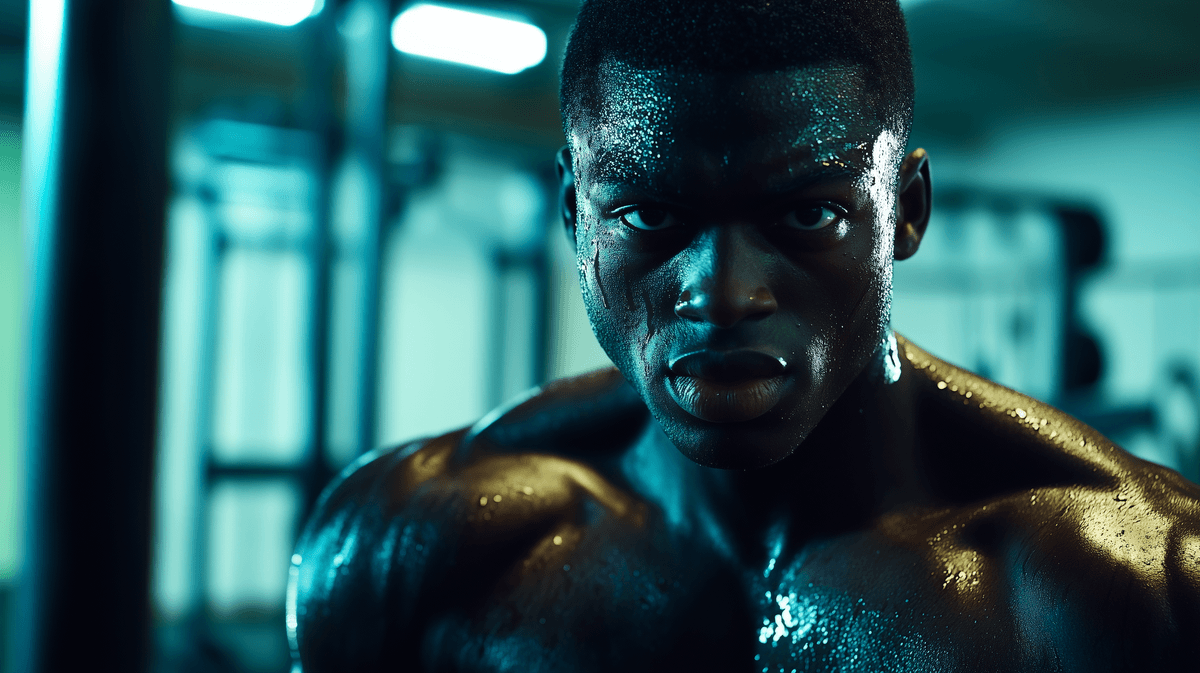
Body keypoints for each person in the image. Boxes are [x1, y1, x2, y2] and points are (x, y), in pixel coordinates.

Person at [288, 1, 1200, 670]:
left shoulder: (1138, 586)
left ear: (905, 213)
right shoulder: (404, 548)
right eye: (650, 214)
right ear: (576, 216)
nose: (724, 294)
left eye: (806, 215)